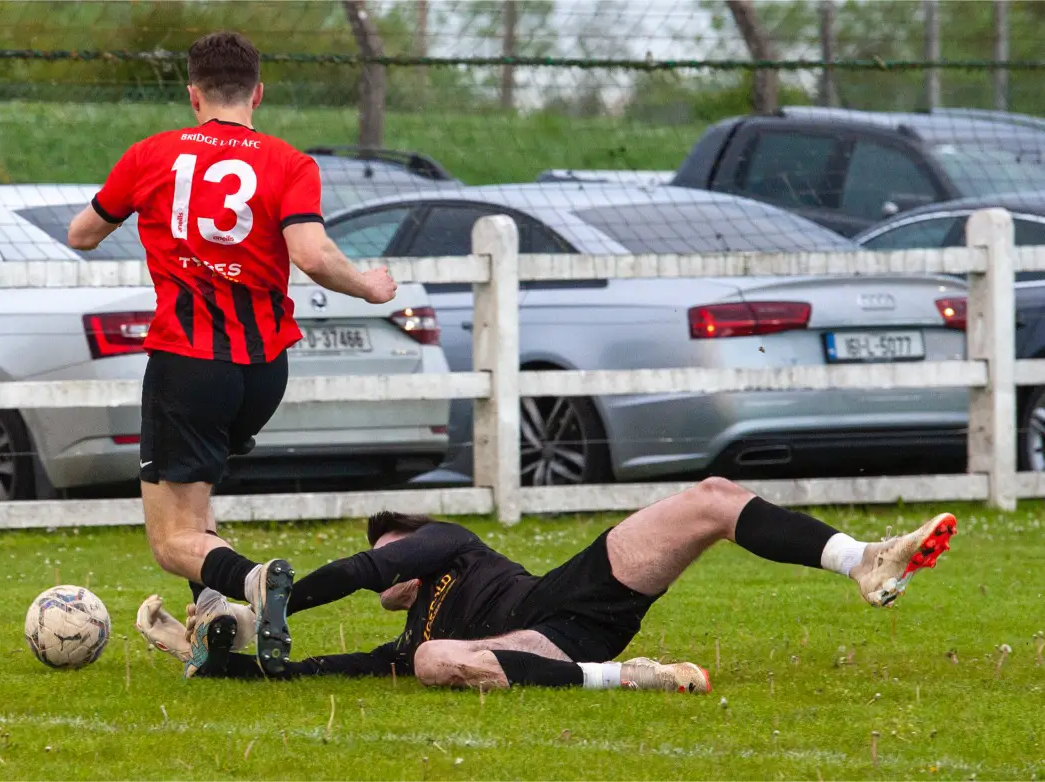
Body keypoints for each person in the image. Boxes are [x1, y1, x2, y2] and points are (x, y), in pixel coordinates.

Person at [66, 30, 397, 677]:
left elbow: (82, 233)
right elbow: (311, 256)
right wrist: (369, 285)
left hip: (188, 363)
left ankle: (251, 580)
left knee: (169, 541)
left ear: (193, 94)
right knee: (194, 509)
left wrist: (131, 212)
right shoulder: (290, 162)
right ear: (257, 94)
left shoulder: (152, 156)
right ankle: (213, 625)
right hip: (262, 371)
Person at [138, 477, 955, 691]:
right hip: (552, 647)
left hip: (573, 593)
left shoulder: (448, 542)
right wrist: (211, 657)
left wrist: (269, 596)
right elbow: (309, 671)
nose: (399, 563)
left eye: (402, 549)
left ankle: (860, 557)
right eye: (397, 553)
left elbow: (363, 569)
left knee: (707, 498)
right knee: (430, 667)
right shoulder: (408, 640)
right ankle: (627, 680)